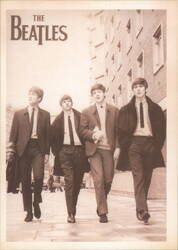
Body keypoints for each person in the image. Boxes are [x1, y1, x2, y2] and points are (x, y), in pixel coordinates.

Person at [117, 77, 166, 224]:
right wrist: (126, 144)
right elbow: (120, 130)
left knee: (147, 177)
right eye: (135, 87)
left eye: (141, 86)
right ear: (133, 90)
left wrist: (157, 145)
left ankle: (140, 206)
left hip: (151, 144)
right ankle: (142, 210)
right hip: (134, 145)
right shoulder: (125, 109)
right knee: (138, 176)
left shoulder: (155, 108)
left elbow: (162, 129)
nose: (138, 89)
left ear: (145, 89)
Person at [8, 86, 50, 222]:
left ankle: (36, 200)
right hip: (22, 150)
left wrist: (47, 153)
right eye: (29, 94)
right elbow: (13, 135)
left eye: (34, 94)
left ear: (39, 98)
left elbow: (48, 136)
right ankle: (28, 211)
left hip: (38, 148)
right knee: (25, 181)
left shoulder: (45, 114)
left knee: (39, 177)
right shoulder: (19, 114)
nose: (30, 96)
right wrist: (11, 151)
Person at [79, 83, 120, 223]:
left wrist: (118, 148)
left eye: (99, 92)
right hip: (95, 150)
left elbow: (118, 132)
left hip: (109, 150)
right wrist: (93, 135)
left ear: (104, 93)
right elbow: (82, 131)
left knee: (108, 179)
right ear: (92, 95)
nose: (97, 94)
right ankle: (103, 212)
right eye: (94, 92)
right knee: (99, 179)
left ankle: (101, 202)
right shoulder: (86, 112)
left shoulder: (114, 110)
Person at [50, 95, 89, 223]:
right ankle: (70, 213)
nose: (67, 103)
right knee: (70, 182)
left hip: (79, 152)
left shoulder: (80, 116)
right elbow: (53, 139)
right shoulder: (57, 120)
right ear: (61, 105)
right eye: (64, 102)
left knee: (77, 183)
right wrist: (59, 152)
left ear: (72, 103)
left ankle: (73, 209)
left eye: (69, 101)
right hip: (65, 152)